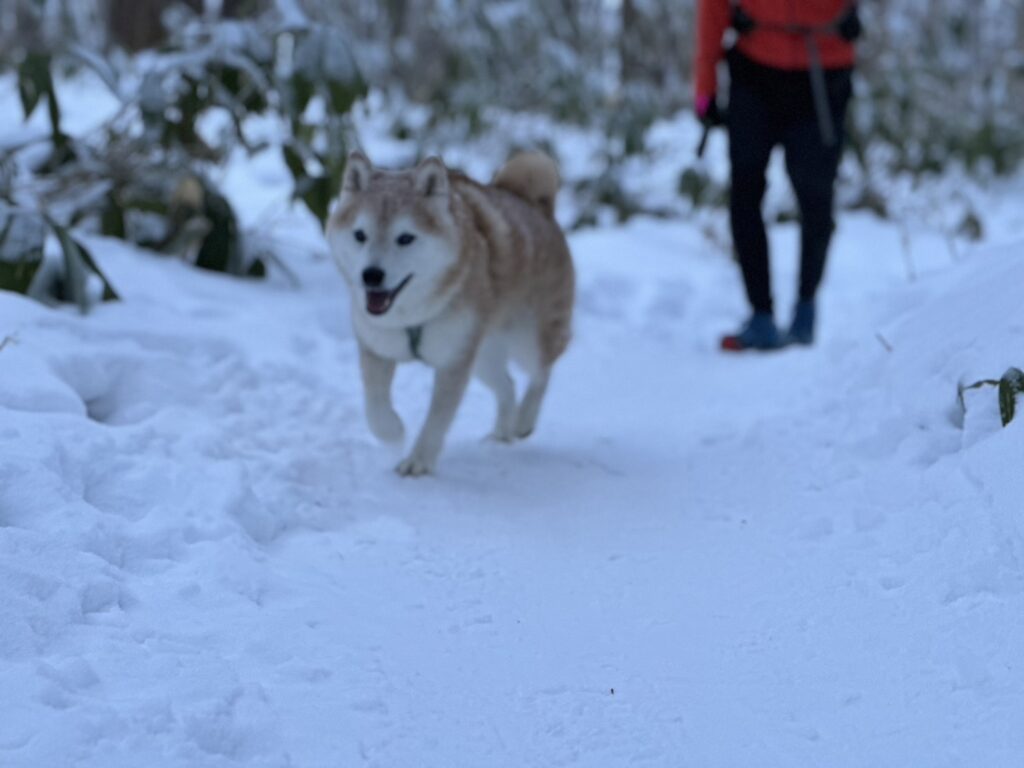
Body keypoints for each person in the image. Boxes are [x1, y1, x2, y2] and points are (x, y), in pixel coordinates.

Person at [695, 0, 860, 351]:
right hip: (754, 72)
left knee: (815, 196)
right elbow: (712, 8)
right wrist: (704, 88)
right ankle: (760, 316)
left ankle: (805, 310)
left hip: (824, 72)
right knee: (745, 191)